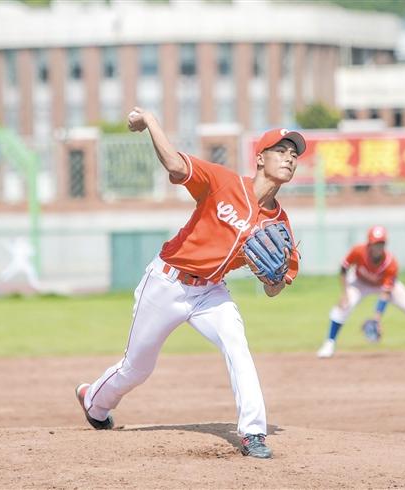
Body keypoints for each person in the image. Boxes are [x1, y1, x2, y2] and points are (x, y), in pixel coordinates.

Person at [74, 107, 304, 459]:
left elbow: (276, 287)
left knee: (237, 345)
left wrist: (270, 279)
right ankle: (94, 401)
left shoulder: (280, 225)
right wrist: (151, 120)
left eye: (294, 155)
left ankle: (253, 433)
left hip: (211, 290)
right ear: (260, 158)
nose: (289, 159)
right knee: (136, 369)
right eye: (281, 151)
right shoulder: (224, 182)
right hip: (167, 282)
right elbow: (177, 167)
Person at [316, 225, 405, 358]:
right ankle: (329, 343)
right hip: (359, 282)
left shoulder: (391, 263)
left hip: (383, 285)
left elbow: (385, 293)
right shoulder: (358, 251)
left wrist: (376, 318)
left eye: (381, 243)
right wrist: (344, 294)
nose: (378, 247)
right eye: (375, 243)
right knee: (343, 306)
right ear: (369, 243)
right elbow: (343, 269)